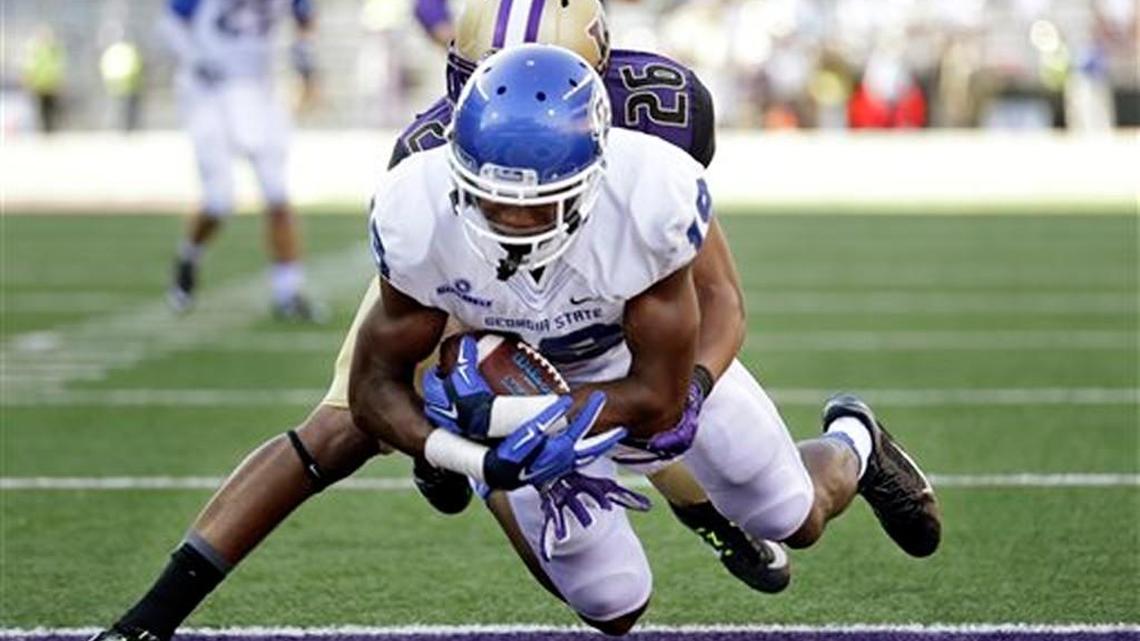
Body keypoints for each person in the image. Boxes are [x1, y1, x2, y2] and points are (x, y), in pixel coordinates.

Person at [88, 4, 785, 640]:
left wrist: (681, 391)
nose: (512, 109)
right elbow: (389, 378)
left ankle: (713, 517)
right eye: (485, 82)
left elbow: (700, 304)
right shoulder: (428, 164)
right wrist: (458, 436)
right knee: (345, 424)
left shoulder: (660, 115)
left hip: (600, 292)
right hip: (475, 269)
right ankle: (154, 612)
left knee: (649, 396)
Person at [350, 44, 941, 634]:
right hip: (523, 384)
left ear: (593, 175)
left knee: (793, 518)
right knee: (613, 605)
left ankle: (855, 442)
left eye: (536, 204)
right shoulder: (416, 210)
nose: (512, 220)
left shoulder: (647, 195)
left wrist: (582, 414)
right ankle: (500, 486)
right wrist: (472, 454)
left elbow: (662, 389)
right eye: (493, 197)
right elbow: (371, 386)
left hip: (641, 367)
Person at [160, 0, 323, 321]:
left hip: (259, 90)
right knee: (219, 201)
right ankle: (188, 258)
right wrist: (195, 57)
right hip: (209, 92)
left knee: (277, 194)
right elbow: (168, 24)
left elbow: (305, 18)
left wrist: (305, 63)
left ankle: (288, 291)